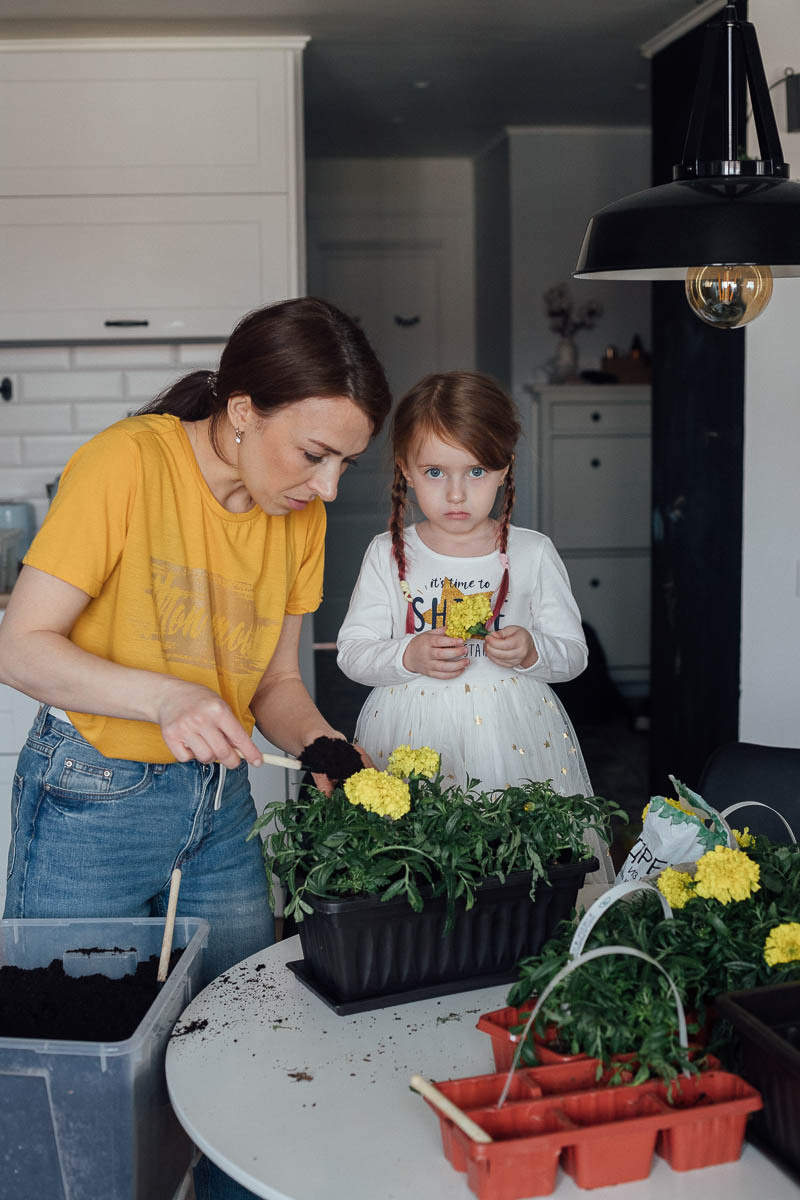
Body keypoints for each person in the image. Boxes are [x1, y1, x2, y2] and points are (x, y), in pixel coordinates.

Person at [0, 297, 391, 1200]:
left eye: (346, 463)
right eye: (316, 454)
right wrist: (165, 695)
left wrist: (328, 748)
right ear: (245, 411)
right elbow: (22, 647)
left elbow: (276, 689)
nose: (328, 487)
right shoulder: (125, 463)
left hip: (217, 810)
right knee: (72, 1072)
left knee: (241, 1051)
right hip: (88, 803)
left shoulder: (296, 513)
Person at [337, 370, 614, 883]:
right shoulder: (388, 554)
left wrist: (532, 650)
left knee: (514, 864)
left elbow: (574, 655)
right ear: (406, 470)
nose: (458, 494)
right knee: (417, 862)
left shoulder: (532, 553)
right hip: (408, 732)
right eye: (436, 473)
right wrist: (407, 655)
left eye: (477, 471)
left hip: (515, 734)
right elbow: (352, 653)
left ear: (505, 468)